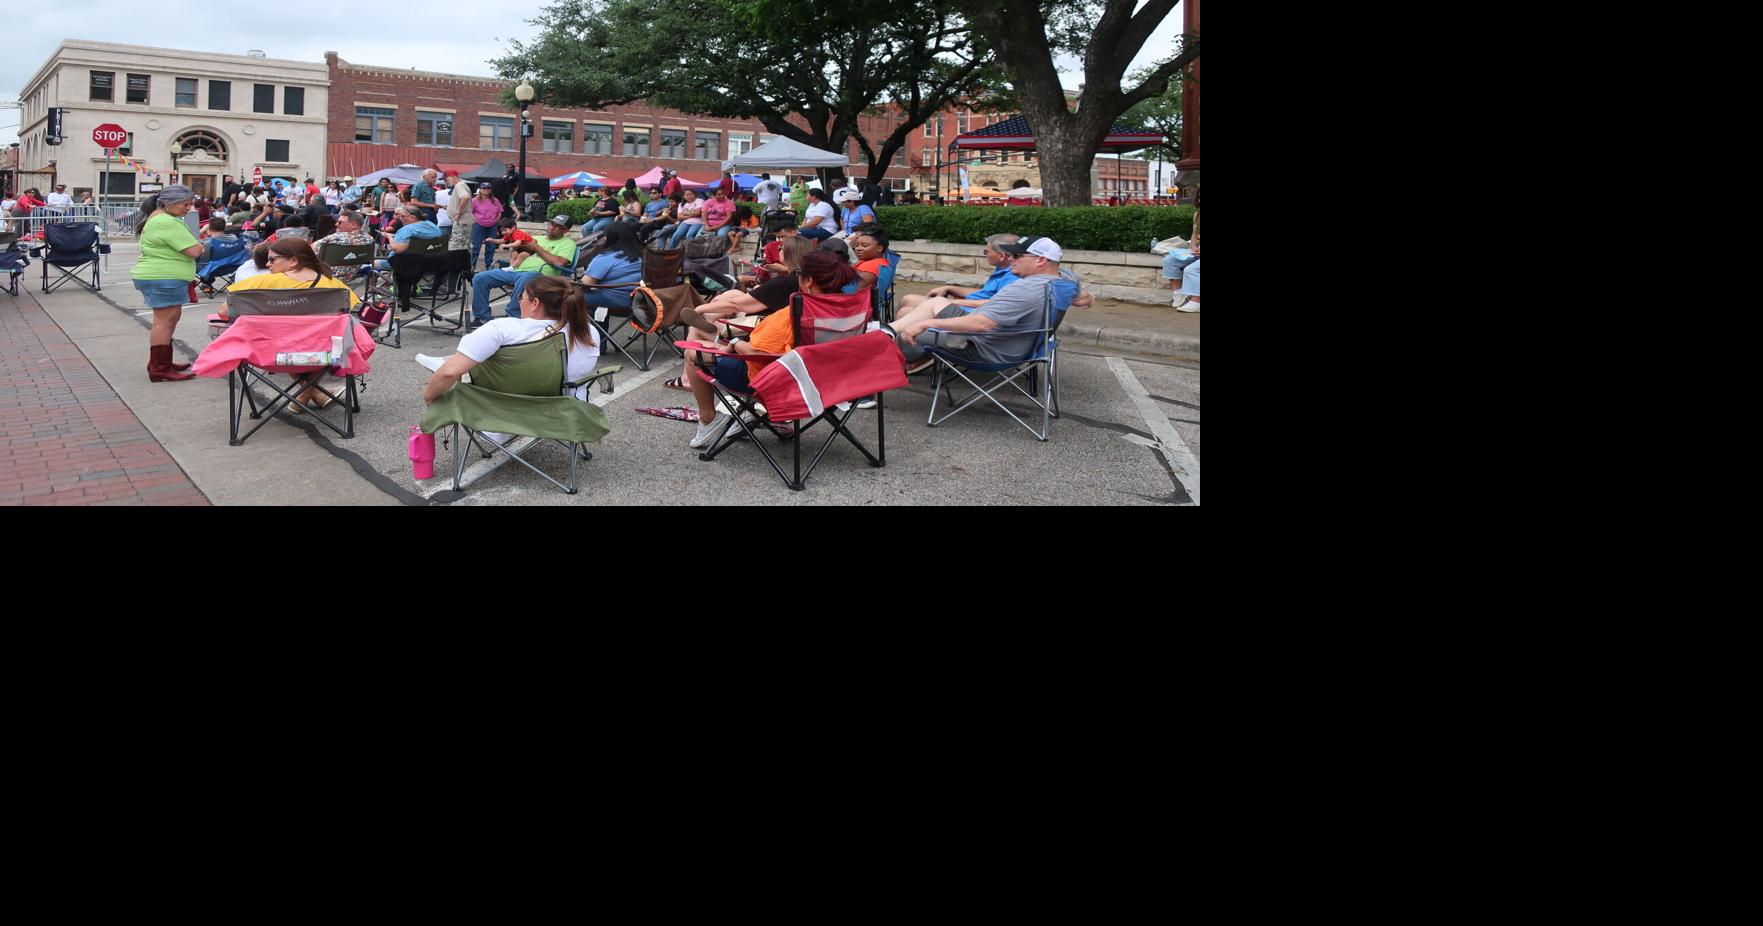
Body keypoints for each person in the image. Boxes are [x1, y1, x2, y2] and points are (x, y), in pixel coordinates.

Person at [680, 249, 860, 448]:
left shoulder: (797, 310)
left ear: (808, 281)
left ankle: (707, 417)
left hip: (776, 382)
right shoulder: (851, 310)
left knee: (692, 353)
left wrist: (732, 343)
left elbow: (755, 354)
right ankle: (768, 416)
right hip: (831, 383)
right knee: (728, 339)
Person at [884, 236, 1081, 374]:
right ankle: (884, 336)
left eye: (1018, 256)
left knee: (913, 332)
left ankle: (878, 356)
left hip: (987, 350)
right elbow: (1086, 299)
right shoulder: (1066, 280)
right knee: (928, 308)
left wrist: (925, 324)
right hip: (1023, 346)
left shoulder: (1025, 289)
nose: (1010, 258)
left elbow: (981, 325)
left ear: (1041, 260)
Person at [421, 274, 602, 422]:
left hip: (504, 410)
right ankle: (448, 359)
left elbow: (448, 374)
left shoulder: (503, 329)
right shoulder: (588, 331)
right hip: (566, 411)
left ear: (535, 303)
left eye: (521, 296)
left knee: (457, 370)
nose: (519, 301)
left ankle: (447, 361)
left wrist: (430, 398)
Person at [223, 237, 362, 409]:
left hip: (269, 353)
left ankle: (306, 392)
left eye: (272, 259)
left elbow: (224, 311)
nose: (267, 264)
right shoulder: (335, 287)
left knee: (282, 337)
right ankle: (312, 390)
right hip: (326, 353)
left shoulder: (259, 284)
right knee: (326, 338)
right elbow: (349, 315)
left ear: (293, 261)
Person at [131, 185, 205, 382]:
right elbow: (194, 250)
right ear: (168, 203)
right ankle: (159, 367)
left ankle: (162, 361)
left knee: (168, 319)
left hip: (162, 276)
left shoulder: (158, 218)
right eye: (185, 204)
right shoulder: (167, 222)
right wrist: (200, 246)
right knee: (164, 322)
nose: (188, 208)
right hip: (163, 276)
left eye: (190, 204)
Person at [469, 213, 577, 328]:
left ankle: (513, 316)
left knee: (526, 277)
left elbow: (560, 263)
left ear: (566, 230)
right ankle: (482, 317)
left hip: (541, 275)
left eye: (557, 227)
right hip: (516, 270)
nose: (552, 228)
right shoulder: (535, 238)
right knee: (480, 278)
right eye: (551, 224)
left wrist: (537, 248)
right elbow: (515, 247)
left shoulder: (568, 243)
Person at [898, 233, 1020, 316]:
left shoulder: (1012, 275)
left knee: (906, 309)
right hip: (970, 309)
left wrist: (955, 302)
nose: (985, 254)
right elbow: (983, 294)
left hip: (973, 314)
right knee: (907, 302)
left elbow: (998, 303)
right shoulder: (1001, 269)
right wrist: (949, 288)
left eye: (986, 251)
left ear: (1001, 256)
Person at [576, 221, 644, 315]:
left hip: (615, 303)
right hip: (641, 303)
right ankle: (598, 326)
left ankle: (592, 328)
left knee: (569, 296)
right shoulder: (644, 256)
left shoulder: (605, 258)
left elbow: (585, 285)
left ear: (609, 238)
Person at [312, 210, 380, 284]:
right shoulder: (369, 239)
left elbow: (308, 250)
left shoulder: (333, 238)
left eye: (340, 222)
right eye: (337, 221)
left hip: (325, 276)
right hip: (351, 276)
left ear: (353, 225)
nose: (336, 224)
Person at [468, 183, 504, 270]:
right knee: (476, 246)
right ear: (480, 189)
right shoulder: (474, 200)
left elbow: (500, 211)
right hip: (478, 225)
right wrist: (475, 220)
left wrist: (496, 221)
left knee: (491, 246)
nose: (486, 190)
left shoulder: (495, 200)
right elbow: (470, 212)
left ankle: (488, 265)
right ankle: (472, 265)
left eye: (488, 188)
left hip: (492, 225)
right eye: (484, 188)